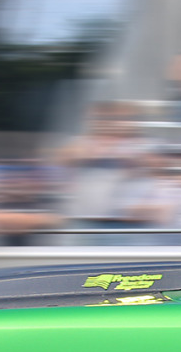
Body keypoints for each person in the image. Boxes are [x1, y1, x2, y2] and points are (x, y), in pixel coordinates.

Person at [55, 101, 152, 245]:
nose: (107, 123)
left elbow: (150, 162)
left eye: (114, 119)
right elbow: (63, 158)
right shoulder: (80, 142)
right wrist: (103, 150)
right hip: (84, 222)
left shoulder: (142, 144)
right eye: (102, 119)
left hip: (126, 224)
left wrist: (115, 151)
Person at [0, 159, 60, 247]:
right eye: (9, 178)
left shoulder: (43, 203)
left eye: (22, 177)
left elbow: (55, 220)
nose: (16, 182)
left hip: (36, 255)